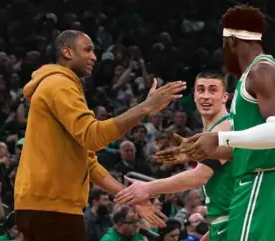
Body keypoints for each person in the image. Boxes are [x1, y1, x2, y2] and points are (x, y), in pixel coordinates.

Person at [14, 30, 186, 241]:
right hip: (50, 208)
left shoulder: (59, 85)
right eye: (87, 50)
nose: (94, 57)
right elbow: (93, 136)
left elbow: (89, 163)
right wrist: (144, 109)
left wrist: (131, 197)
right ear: (67, 52)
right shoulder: (59, 85)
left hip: (49, 206)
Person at [156, 5, 275, 241]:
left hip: (264, 177)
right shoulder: (248, 77)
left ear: (231, 41)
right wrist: (200, 151)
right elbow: (245, 146)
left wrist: (219, 137)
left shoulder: (261, 70)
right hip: (251, 179)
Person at [116, 72, 233, 241]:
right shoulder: (213, 128)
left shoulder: (223, 127)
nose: (205, 96)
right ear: (194, 96)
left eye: (212, 90)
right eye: (201, 90)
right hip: (223, 221)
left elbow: (199, 176)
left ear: (224, 97)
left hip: (232, 221)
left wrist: (147, 188)